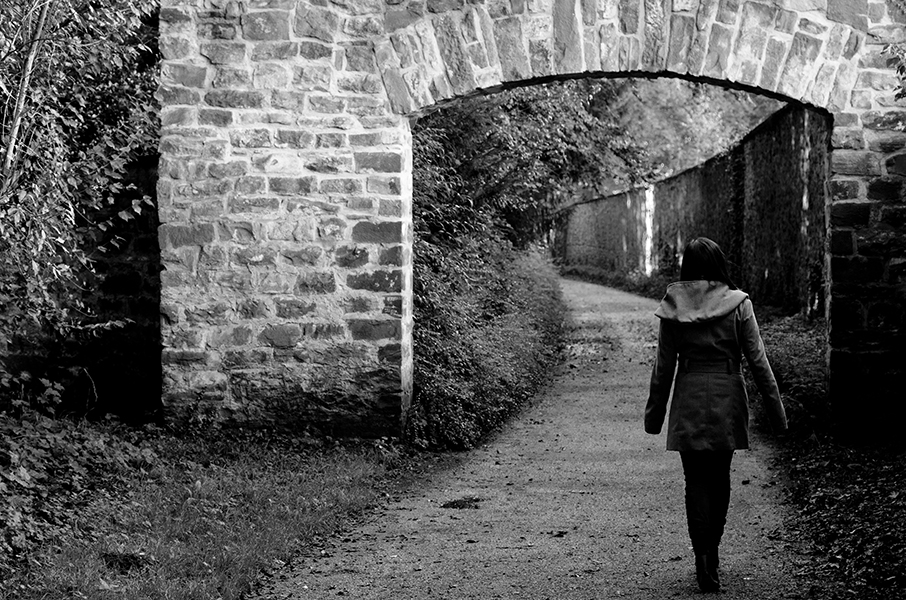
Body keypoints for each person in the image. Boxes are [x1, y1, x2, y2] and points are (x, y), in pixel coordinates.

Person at [644, 237, 788, 593]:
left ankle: (702, 556)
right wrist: (777, 415)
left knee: (695, 480)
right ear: (721, 264)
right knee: (719, 476)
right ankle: (713, 551)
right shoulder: (739, 304)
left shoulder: (674, 306)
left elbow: (663, 367)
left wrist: (654, 415)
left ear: (687, 267)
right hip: (728, 396)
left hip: (690, 396)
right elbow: (758, 362)